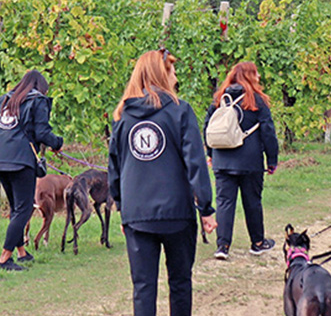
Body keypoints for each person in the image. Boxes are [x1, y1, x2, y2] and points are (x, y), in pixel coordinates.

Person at [109, 50, 217, 316]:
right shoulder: (181, 111)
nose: (176, 77)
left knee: (143, 287)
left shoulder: (123, 117)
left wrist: (123, 208)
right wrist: (205, 207)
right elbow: (196, 162)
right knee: (180, 283)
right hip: (177, 214)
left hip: (137, 216)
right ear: (161, 74)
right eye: (172, 71)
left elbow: (115, 168)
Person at [0, 68, 64, 271]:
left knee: (16, 207)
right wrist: (57, 143)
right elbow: (42, 132)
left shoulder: (4, 100)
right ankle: (4, 259)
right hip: (20, 160)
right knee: (24, 208)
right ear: (41, 87)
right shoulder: (38, 101)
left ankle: (21, 251)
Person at [205, 60, 279, 259]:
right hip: (250, 161)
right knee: (252, 202)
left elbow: (208, 126)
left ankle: (222, 247)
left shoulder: (220, 98)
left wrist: (211, 154)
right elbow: (268, 131)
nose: (259, 77)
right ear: (249, 76)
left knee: (224, 203)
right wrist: (272, 159)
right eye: (256, 73)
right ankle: (257, 242)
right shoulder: (256, 100)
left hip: (222, 160)